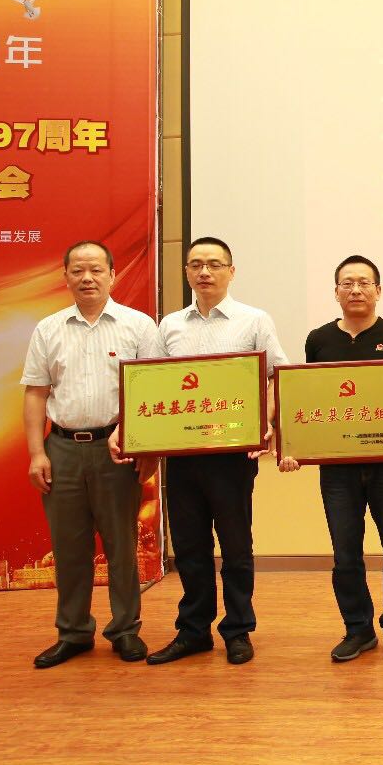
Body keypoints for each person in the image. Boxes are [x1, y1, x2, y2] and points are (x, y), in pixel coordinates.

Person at [277, 254, 383, 663]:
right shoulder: (318, 340)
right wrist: (295, 447)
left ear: (378, 291)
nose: (356, 290)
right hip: (338, 470)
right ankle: (358, 629)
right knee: (345, 554)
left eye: (364, 282)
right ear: (336, 292)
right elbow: (309, 401)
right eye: (347, 283)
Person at [21, 240, 164, 668]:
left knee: (121, 545)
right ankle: (74, 632)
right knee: (69, 547)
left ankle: (125, 630)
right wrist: (36, 453)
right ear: (65, 277)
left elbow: (153, 387)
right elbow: (36, 393)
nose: (87, 278)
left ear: (112, 275)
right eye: (78, 270)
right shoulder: (48, 329)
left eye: (96, 270)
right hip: (61, 449)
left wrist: (142, 443)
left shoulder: (138, 326)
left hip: (117, 451)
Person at [147, 237, 289, 666]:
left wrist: (264, 422)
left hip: (232, 455)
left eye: (213, 264)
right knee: (189, 546)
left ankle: (238, 630)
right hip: (183, 453)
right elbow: (151, 383)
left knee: (235, 545)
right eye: (196, 264)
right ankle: (193, 631)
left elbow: (275, 376)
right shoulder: (170, 325)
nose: (204, 272)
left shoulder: (253, 320)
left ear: (231, 271)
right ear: (186, 273)